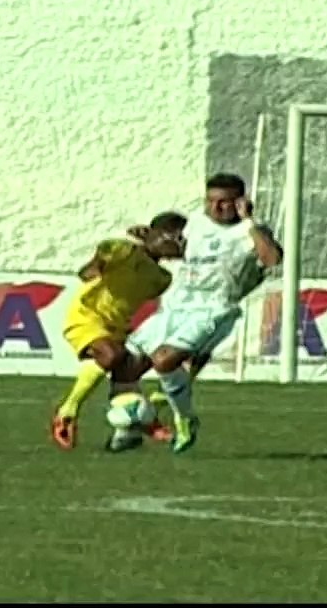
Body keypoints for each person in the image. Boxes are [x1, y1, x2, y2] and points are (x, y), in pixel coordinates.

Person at [122, 173, 283, 453]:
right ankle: (130, 426)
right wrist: (150, 240)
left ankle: (184, 419)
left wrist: (250, 221)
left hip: (215, 309)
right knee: (127, 366)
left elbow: (272, 259)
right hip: (177, 305)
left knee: (164, 360)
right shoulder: (195, 224)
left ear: (240, 203)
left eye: (224, 202)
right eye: (210, 201)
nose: (215, 208)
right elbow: (177, 251)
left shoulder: (251, 231)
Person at [50, 212, 187, 451]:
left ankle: (132, 427)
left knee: (132, 368)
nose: (181, 244)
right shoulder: (123, 250)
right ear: (158, 234)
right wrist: (95, 266)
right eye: (177, 237)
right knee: (111, 355)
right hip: (86, 316)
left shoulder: (162, 279)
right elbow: (96, 261)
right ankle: (67, 412)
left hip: (118, 327)